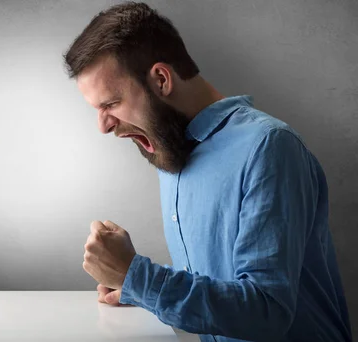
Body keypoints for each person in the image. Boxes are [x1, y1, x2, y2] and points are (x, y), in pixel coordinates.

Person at [64, 2, 351, 341]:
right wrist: (133, 288)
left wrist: (136, 276)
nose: (103, 126)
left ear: (160, 79)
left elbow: (267, 312)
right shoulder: (171, 149)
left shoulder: (269, 147)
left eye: (111, 104)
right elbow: (222, 283)